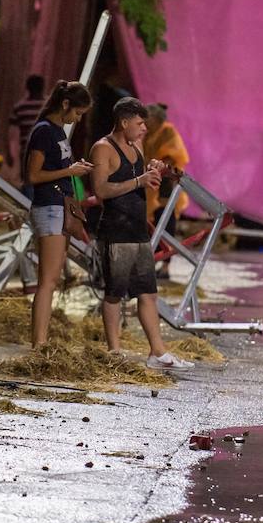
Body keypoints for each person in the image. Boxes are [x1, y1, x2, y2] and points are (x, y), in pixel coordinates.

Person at [89, 98, 194, 370]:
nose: (144, 129)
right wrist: (139, 180)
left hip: (137, 229)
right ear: (124, 123)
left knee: (148, 293)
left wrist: (151, 171)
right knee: (115, 293)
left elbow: (137, 179)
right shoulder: (103, 148)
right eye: (139, 123)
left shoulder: (136, 145)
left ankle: (157, 352)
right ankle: (114, 352)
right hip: (116, 231)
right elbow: (100, 190)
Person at [26, 81, 93, 346]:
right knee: (48, 280)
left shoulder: (56, 131)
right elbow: (33, 175)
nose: (77, 119)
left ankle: (41, 339)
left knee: (51, 278)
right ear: (65, 104)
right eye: (77, 113)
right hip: (49, 207)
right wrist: (70, 171)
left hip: (59, 207)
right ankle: (39, 342)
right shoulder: (44, 131)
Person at [144, 103, 190, 281]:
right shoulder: (148, 134)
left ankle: (165, 265)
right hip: (152, 184)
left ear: (155, 119)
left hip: (167, 186)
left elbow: (172, 156)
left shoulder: (167, 131)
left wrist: (154, 164)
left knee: (166, 225)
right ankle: (153, 261)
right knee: (152, 225)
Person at [10, 74, 46, 177]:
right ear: (43, 87)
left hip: (27, 151)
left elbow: (12, 135)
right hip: (47, 150)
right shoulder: (48, 106)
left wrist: (11, 153)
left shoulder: (19, 107)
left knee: (28, 180)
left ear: (27, 88)